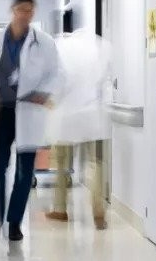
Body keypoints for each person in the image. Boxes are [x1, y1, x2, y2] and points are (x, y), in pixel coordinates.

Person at [0, 0, 60, 241]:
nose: (25, 15)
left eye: (30, 11)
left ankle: (14, 221)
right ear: (12, 11)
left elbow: (57, 73)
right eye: (21, 10)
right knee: (0, 168)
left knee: (25, 172)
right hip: (2, 112)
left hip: (29, 111)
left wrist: (44, 94)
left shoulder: (44, 42)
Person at [44, 30, 112, 230]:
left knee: (61, 165)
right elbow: (106, 80)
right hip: (93, 115)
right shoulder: (101, 46)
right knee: (96, 164)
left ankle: (60, 209)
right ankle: (98, 213)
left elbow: (54, 81)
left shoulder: (58, 47)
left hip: (65, 116)